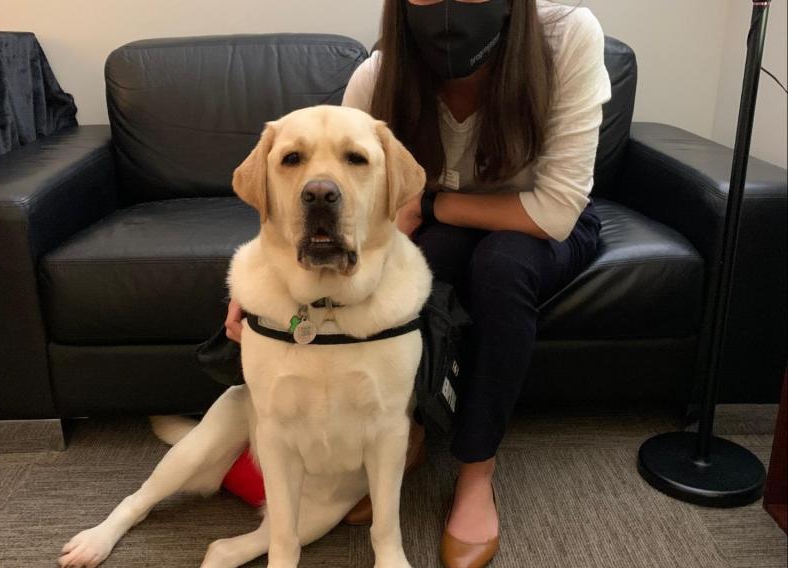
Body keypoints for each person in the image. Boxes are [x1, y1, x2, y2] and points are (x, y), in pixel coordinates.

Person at [227, 1, 611, 566]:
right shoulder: (379, 78)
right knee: (417, 267)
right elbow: (321, 199)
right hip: (440, 221)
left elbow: (555, 211)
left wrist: (434, 203)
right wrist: (262, 290)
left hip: (543, 224)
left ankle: (476, 472)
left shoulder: (568, 37)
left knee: (501, 265)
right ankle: (406, 430)